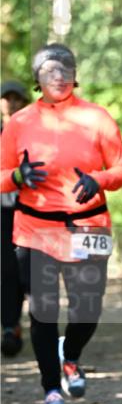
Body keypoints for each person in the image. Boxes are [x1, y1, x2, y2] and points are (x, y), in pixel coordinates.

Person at [0, 44, 122, 404]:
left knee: (88, 308)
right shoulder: (19, 123)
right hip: (35, 227)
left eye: (66, 68)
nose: (58, 75)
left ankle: (70, 356)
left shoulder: (97, 118)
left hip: (88, 223)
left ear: (76, 74)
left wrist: (99, 179)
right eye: (49, 69)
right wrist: (16, 177)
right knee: (42, 311)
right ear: (37, 78)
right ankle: (51, 392)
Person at [1, 80, 30, 356]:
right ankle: (9, 326)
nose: (11, 102)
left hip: (27, 210)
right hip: (1, 212)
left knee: (24, 269)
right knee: (7, 269)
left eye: (16, 98)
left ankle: (16, 324)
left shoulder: (32, 134)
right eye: (5, 98)